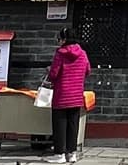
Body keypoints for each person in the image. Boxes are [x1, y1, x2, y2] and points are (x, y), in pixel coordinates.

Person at [46, 27, 91, 164]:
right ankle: (72, 154)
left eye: (59, 39)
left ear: (64, 39)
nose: (58, 42)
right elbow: (88, 70)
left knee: (59, 125)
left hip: (62, 95)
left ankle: (59, 154)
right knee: (73, 125)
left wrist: (49, 71)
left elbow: (54, 74)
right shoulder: (83, 53)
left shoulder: (60, 53)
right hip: (76, 95)